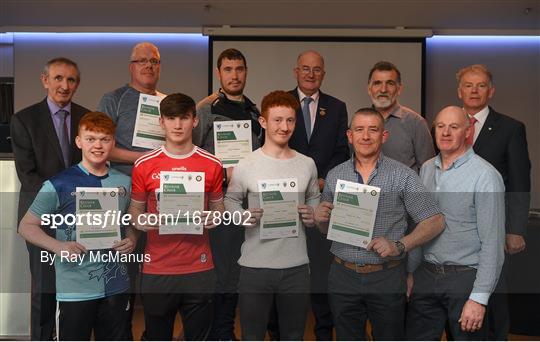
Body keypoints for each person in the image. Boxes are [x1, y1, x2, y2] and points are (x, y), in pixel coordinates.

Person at [314, 108, 444, 340]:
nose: (365, 136)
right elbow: (326, 229)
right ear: (349, 136)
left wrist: (400, 245)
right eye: (359, 130)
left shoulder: (402, 175)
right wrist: (320, 219)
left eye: (373, 130)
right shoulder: (335, 175)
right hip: (342, 275)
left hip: (386, 276)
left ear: (383, 136)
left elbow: (435, 221)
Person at [18, 111, 136, 340]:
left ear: (113, 142)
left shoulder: (124, 182)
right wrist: (58, 247)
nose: (98, 145)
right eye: (91, 138)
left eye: (104, 139)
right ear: (79, 141)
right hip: (75, 288)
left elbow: (131, 223)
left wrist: (132, 238)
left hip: (116, 286)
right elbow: (26, 225)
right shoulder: (59, 183)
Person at [225, 90, 320, 340]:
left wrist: (312, 215)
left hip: (296, 268)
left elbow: (314, 200)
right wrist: (242, 216)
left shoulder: (307, 164)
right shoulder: (246, 164)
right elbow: (230, 200)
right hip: (255, 269)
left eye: (290, 120)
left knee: (293, 336)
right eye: (277, 120)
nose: (284, 126)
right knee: (252, 336)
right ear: (263, 122)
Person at [128, 93, 224, 340]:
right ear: (161, 122)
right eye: (171, 118)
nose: (178, 125)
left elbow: (219, 209)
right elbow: (135, 213)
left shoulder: (212, 164)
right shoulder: (144, 164)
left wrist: (214, 218)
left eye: (184, 118)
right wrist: (145, 220)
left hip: (199, 267)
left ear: (194, 121)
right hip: (157, 268)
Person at [406, 106, 505, 340]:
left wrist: (478, 299)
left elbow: (493, 243)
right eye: (440, 126)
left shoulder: (485, 175)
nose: (446, 132)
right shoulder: (427, 169)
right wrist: (410, 271)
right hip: (426, 275)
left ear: (468, 131)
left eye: (454, 127)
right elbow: (420, 226)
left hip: (465, 279)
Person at [10, 57, 89, 340]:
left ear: (77, 84)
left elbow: (94, 165)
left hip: (83, 216)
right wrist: (61, 201)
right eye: (58, 78)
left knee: (80, 289)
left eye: (71, 80)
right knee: (44, 290)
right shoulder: (24, 120)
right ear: (45, 80)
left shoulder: (87, 118)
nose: (64, 85)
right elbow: (28, 175)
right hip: (42, 219)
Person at [456, 64, 531, 340]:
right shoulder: (445, 126)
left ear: (491, 91)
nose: (474, 91)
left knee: (494, 301)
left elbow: (520, 183)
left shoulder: (511, 128)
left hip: (494, 230)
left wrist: (516, 229)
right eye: (468, 85)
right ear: (459, 91)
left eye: (481, 85)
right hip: (454, 232)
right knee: (458, 302)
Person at [194, 48, 262, 340]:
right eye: (229, 69)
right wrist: (222, 175)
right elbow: (193, 157)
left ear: (246, 72)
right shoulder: (205, 109)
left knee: (238, 269)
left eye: (240, 69)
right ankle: (216, 332)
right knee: (219, 270)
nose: (235, 75)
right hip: (216, 203)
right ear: (219, 73)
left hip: (247, 204)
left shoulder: (254, 111)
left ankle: (226, 330)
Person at [287, 50, 349, 340]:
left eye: (316, 69)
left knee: (322, 271)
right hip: (287, 201)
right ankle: (282, 332)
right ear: (295, 71)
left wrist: (324, 180)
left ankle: (324, 332)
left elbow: (340, 151)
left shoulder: (337, 107)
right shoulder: (282, 103)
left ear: (323, 73)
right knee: (289, 269)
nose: (310, 74)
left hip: (324, 198)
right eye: (305, 69)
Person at [97, 42, 164, 176]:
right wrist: (142, 156)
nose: (149, 65)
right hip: (125, 185)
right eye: (142, 61)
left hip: (162, 182)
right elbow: (100, 147)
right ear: (131, 67)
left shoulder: (166, 102)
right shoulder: (113, 99)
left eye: (154, 61)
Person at [367, 61, 434, 173]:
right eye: (377, 83)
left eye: (390, 83)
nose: (383, 89)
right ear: (369, 89)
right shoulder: (358, 123)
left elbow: (428, 171)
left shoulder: (416, 123)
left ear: (399, 89)